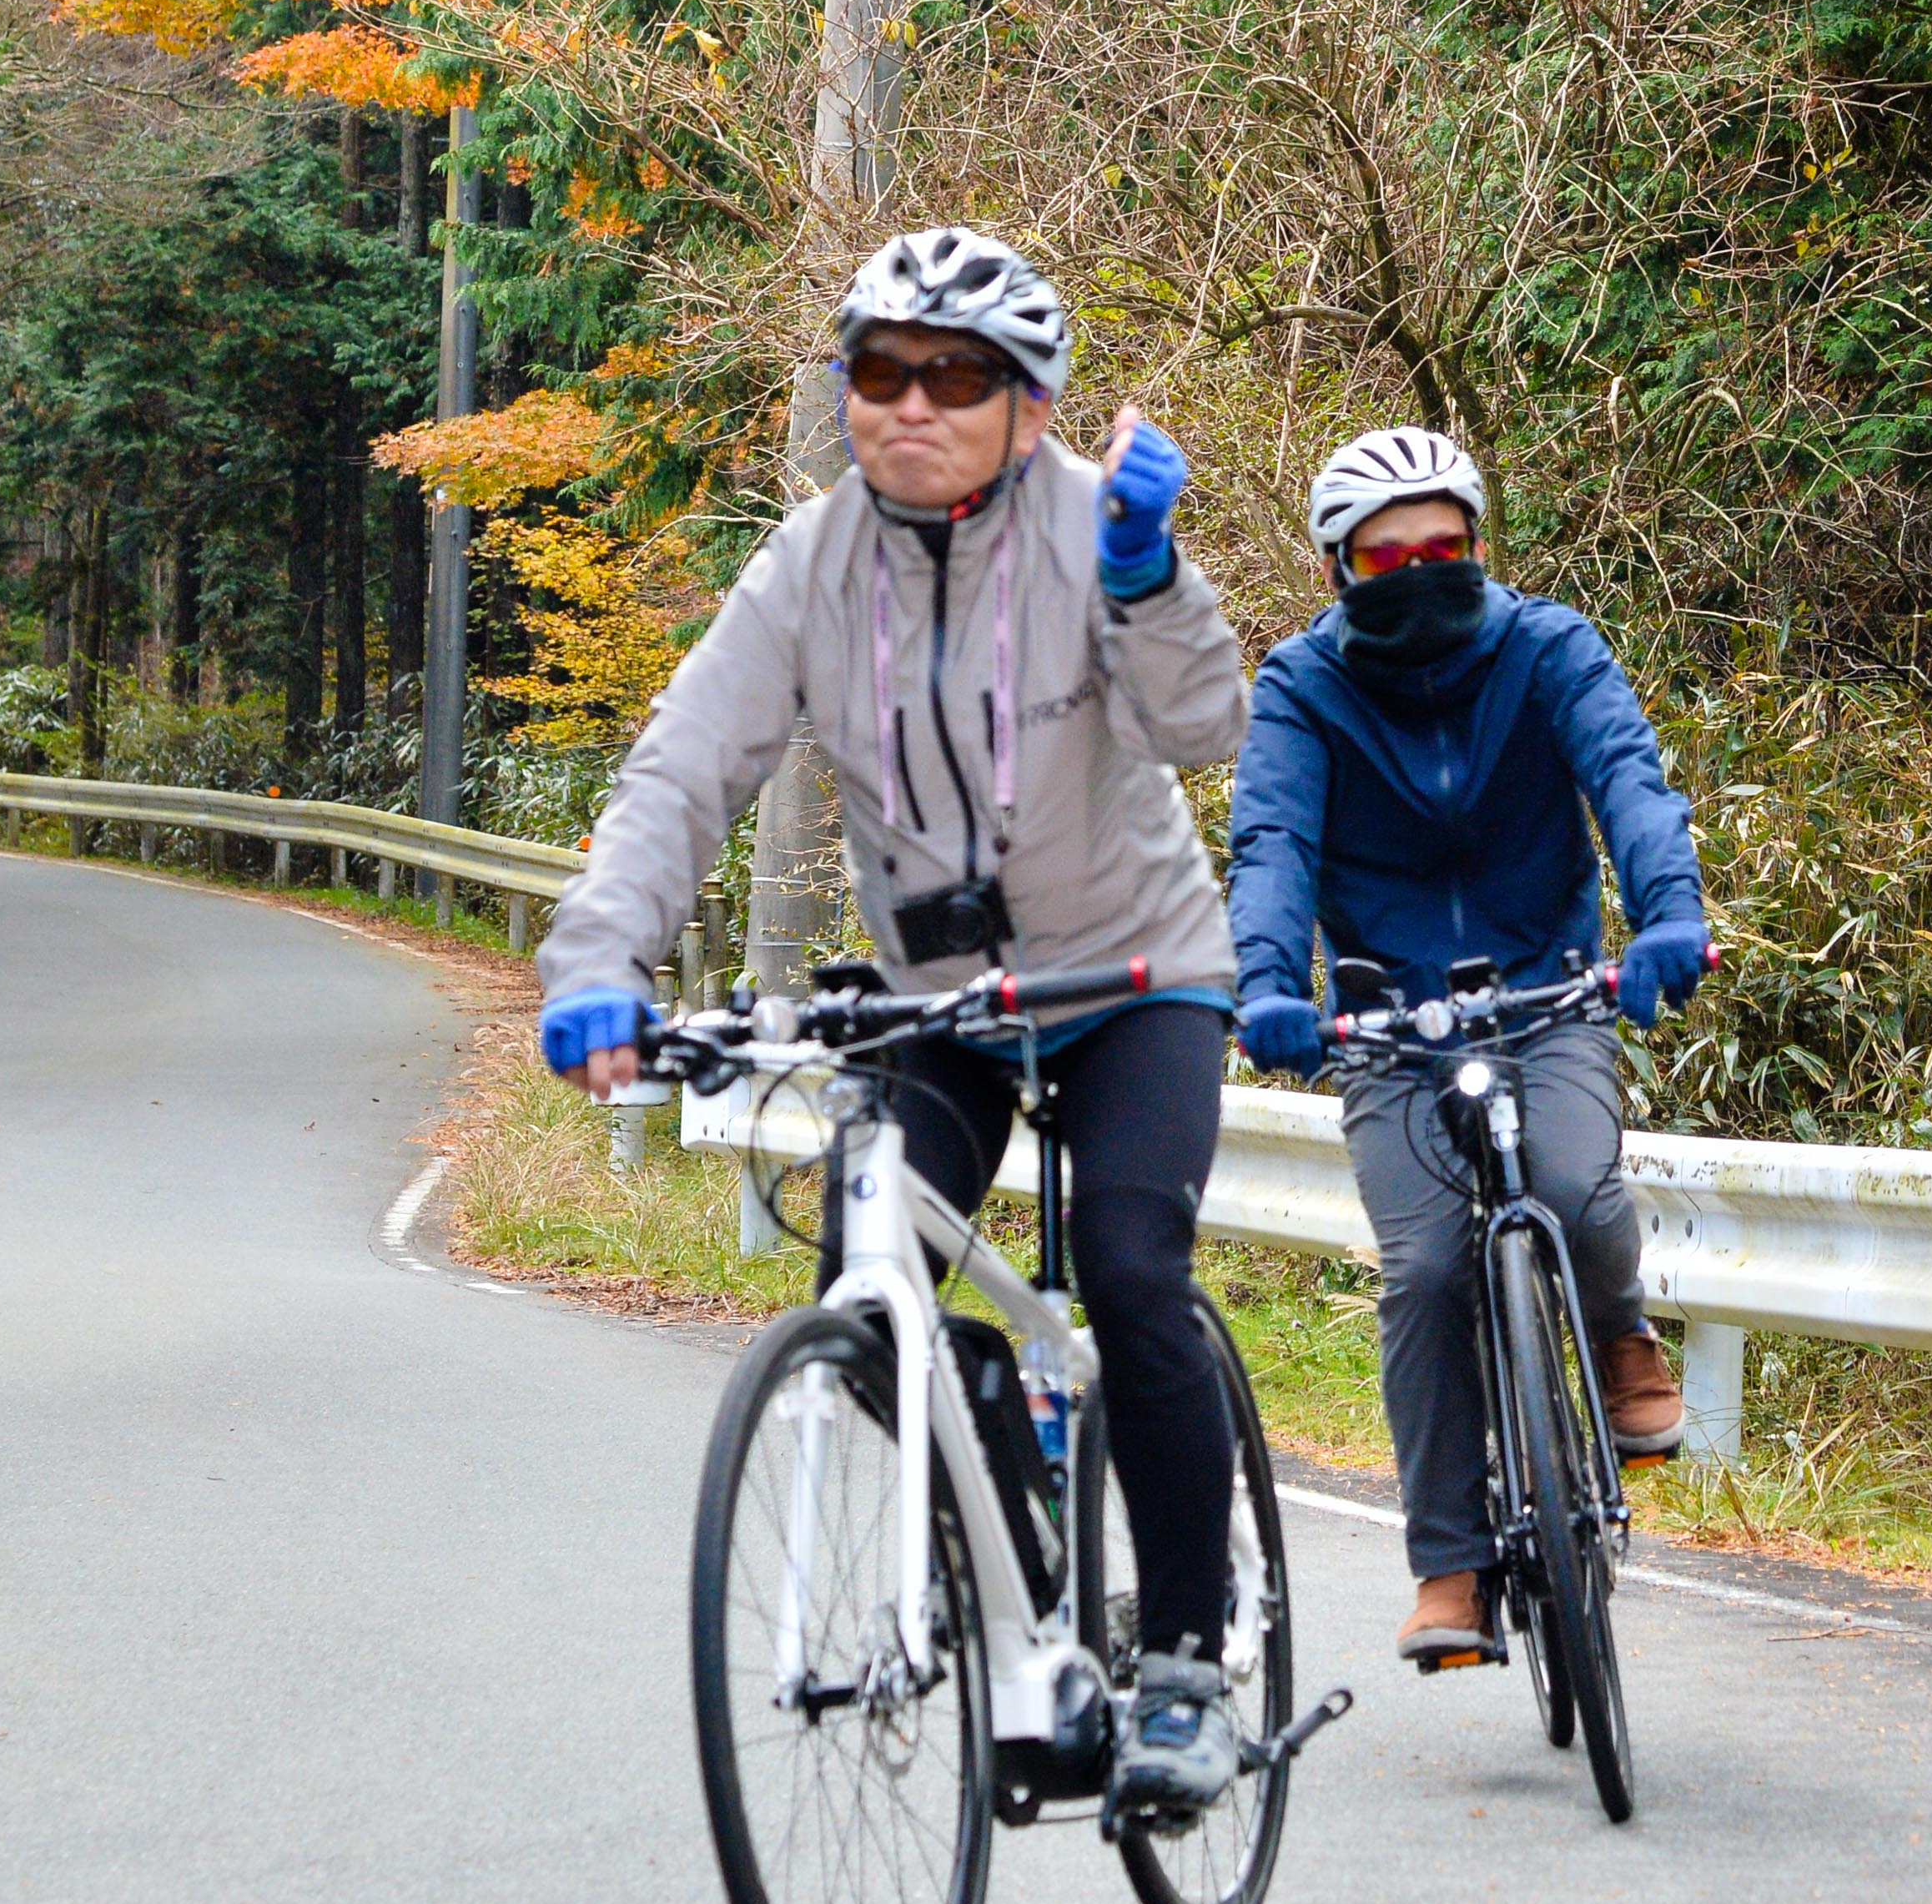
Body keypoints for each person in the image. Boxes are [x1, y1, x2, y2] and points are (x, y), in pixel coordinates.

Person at [536, 226, 1255, 1806]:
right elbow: (682, 770)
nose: (910, 405)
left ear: (1033, 407)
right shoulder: (809, 566)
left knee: (1134, 1272)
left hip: (1134, 975)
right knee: (874, 1309)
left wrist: (1152, 578)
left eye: (956, 377)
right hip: (941, 994)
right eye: (879, 371)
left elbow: (1208, 727)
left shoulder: (1091, 531)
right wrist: (601, 958)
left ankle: (1189, 1668)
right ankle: (1011, 1495)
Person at [1225, 425, 1711, 1668]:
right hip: (1387, 1025)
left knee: (1573, 1181)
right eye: (1388, 559)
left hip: (1548, 990)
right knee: (1429, 1273)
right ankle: (1448, 1565)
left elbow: (1629, 780)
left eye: (1445, 548)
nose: (1420, 572)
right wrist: (1271, 985)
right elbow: (1272, 845)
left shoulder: (1551, 647)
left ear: (1480, 545)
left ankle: (1619, 1338)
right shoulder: (1300, 687)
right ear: (1340, 570)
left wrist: (1669, 919)